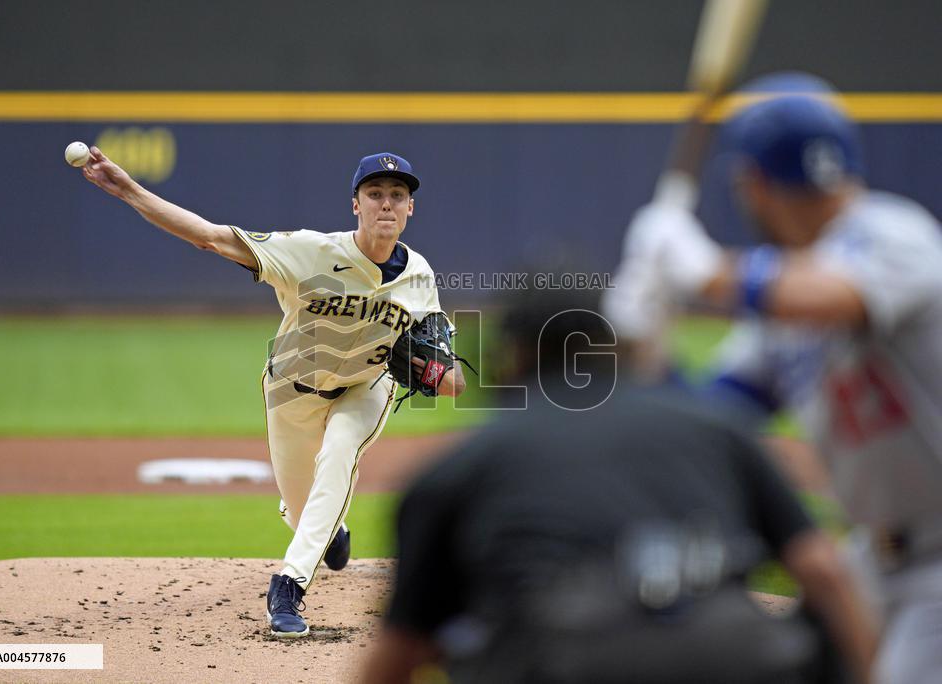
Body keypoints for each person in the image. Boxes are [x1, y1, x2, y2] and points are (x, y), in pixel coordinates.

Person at [362, 284, 877, 684]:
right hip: (732, 658)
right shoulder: (717, 426)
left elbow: (400, 655)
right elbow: (823, 571)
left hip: (565, 662)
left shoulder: (463, 465)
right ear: (612, 348)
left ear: (512, 357)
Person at [605, 76, 942, 684]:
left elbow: (833, 296)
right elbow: (709, 421)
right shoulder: (785, 315)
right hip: (873, 559)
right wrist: (644, 342)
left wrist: (704, 270)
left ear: (754, 185)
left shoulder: (894, 233)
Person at [79, 148, 465, 637]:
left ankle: (289, 586)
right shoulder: (309, 251)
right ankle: (329, 533)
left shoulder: (420, 278)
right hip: (290, 392)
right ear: (355, 205)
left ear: (411, 209)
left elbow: (454, 382)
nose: (386, 204)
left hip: (365, 388)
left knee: (340, 453)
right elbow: (210, 238)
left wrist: (432, 371)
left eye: (397, 195)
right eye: (375, 194)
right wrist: (128, 189)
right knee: (305, 507)